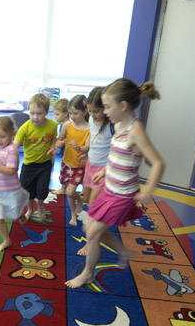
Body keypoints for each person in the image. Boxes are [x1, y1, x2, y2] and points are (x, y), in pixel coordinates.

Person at [65, 78, 165, 288]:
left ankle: (87, 274)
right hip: (109, 189)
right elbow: (118, 154)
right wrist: (104, 171)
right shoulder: (119, 125)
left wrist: (147, 190)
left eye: (108, 106)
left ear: (123, 106)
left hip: (123, 195)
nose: (105, 111)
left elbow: (157, 162)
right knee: (89, 227)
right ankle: (124, 251)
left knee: (93, 234)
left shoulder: (135, 131)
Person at [76, 86, 114, 255]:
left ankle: (89, 241)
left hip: (103, 170)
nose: (92, 114)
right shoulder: (91, 120)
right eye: (90, 111)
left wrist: (107, 168)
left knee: (93, 206)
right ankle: (100, 222)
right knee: (85, 198)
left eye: (96, 111)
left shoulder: (112, 125)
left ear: (106, 108)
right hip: (90, 165)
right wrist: (87, 154)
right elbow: (93, 139)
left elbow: (117, 149)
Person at [0, 117, 29, 252]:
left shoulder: (12, 150)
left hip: (10, 189)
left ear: (12, 133)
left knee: (13, 213)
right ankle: (6, 240)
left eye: (2, 136)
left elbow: (11, 171)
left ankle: (20, 215)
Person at [14, 93, 58, 224]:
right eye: (32, 113)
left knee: (42, 191)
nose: (35, 117)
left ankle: (39, 205)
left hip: (45, 164)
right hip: (29, 165)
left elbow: (54, 138)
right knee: (26, 191)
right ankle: (30, 209)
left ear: (46, 112)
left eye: (39, 113)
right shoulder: (25, 127)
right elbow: (16, 143)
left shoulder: (52, 125)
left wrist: (53, 147)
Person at [53, 94, 90, 226]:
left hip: (79, 166)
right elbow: (59, 139)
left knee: (70, 192)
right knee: (68, 191)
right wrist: (58, 144)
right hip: (66, 163)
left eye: (75, 113)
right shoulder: (67, 125)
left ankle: (76, 208)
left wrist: (79, 148)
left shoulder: (89, 129)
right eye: (70, 113)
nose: (72, 116)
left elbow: (87, 147)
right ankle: (75, 209)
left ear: (85, 111)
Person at [49, 98, 69, 195]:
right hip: (65, 152)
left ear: (65, 113)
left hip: (68, 153)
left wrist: (61, 142)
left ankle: (64, 188)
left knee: (66, 170)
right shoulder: (63, 124)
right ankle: (64, 187)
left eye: (57, 114)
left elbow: (67, 138)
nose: (55, 117)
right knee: (66, 170)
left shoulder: (68, 124)